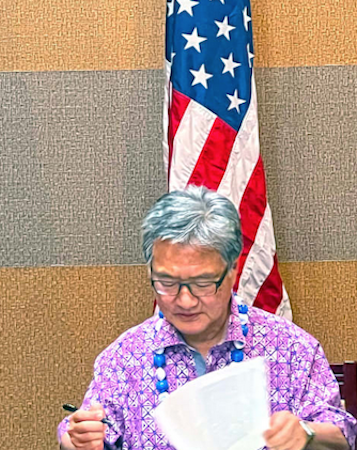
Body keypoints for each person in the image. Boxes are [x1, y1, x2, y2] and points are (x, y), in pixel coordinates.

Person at [58, 186, 356, 450]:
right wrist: (77, 439)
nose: (185, 301)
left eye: (202, 284)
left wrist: (307, 433)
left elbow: (343, 435)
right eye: (167, 283)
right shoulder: (123, 358)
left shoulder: (292, 348)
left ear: (232, 271)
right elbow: (83, 431)